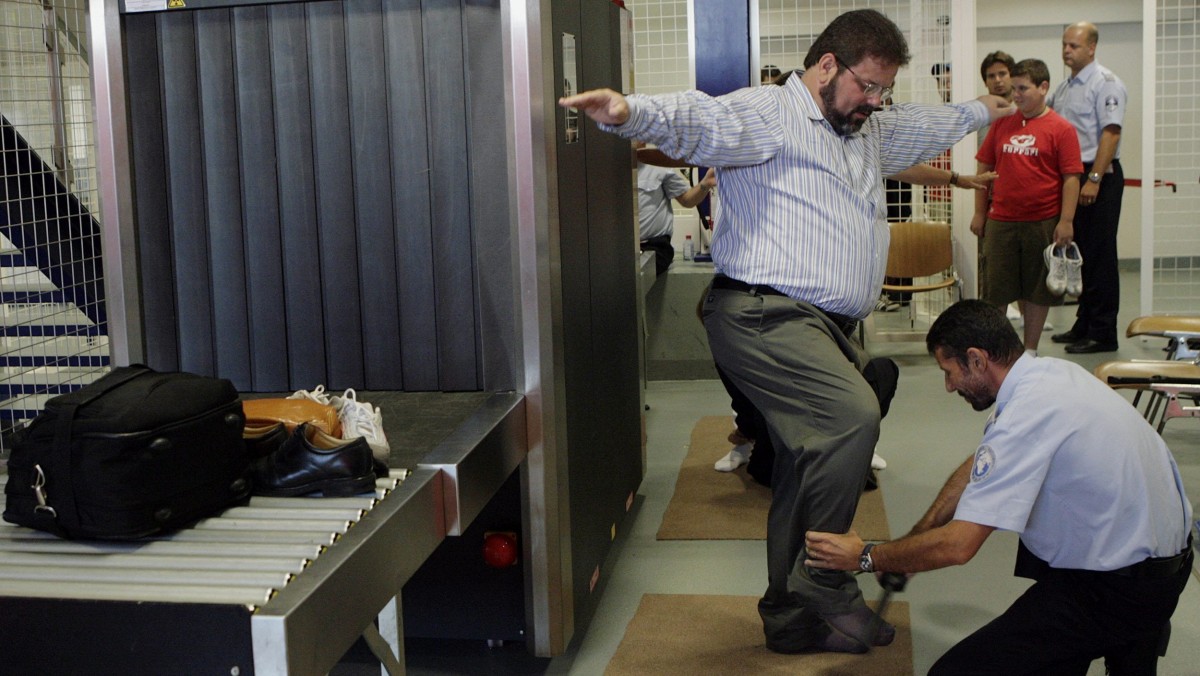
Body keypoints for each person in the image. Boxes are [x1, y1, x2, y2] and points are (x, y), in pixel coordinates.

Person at [561, 8, 1014, 654]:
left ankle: (789, 617)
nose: (876, 101)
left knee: (807, 468)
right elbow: (700, 119)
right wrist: (626, 111)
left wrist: (983, 109)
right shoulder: (771, 113)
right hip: (764, 312)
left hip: (826, 326)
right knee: (852, 416)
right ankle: (824, 580)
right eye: (868, 86)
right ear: (827, 65)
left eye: (885, 90)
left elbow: (927, 123)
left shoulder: (867, 129)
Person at [804, 299, 1193, 673]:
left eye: (948, 371)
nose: (948, 386)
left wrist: (867, 556)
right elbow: (982, 463)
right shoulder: (1051, 376)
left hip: (1116, 590)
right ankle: (1130, 636)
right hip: (1162, 564)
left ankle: (1124, 631)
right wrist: (921, 532)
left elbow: (959, 546)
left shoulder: (1025, 415)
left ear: (977, 359)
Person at [972, 59, 1082, 353]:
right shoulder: (1001, 124)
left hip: (1042, 221)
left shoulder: (1062, 129)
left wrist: (1066, 220)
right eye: (1014, 89)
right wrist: (980, 212)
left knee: (1037, 289)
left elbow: (1071, 178)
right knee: (995, 289)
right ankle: (998, 350)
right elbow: (985, 167)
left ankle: (1030, 350)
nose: (1016, 95)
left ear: (1043, 87)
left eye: (1023, 89)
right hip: (1001, 220)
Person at [1048, 21, 1128, 354]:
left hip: (1098, 175)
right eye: (1065, 44)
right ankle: (1083, 324)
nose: (1067, 50)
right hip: (1072, 176)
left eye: (1074, 46)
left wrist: (1093, 178)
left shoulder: (1105, 83)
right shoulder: (1066, 88)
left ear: (1092, 47)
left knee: (1099, 255)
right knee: (1080, 256)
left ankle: (1103, 332)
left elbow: (1110, 133)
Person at [636, 151, 716, 275]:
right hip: (621, 247)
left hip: (654, 247)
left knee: (634, 274)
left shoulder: (658, 166)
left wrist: (706, 183)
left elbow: (687, 200)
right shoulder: (609, 169)